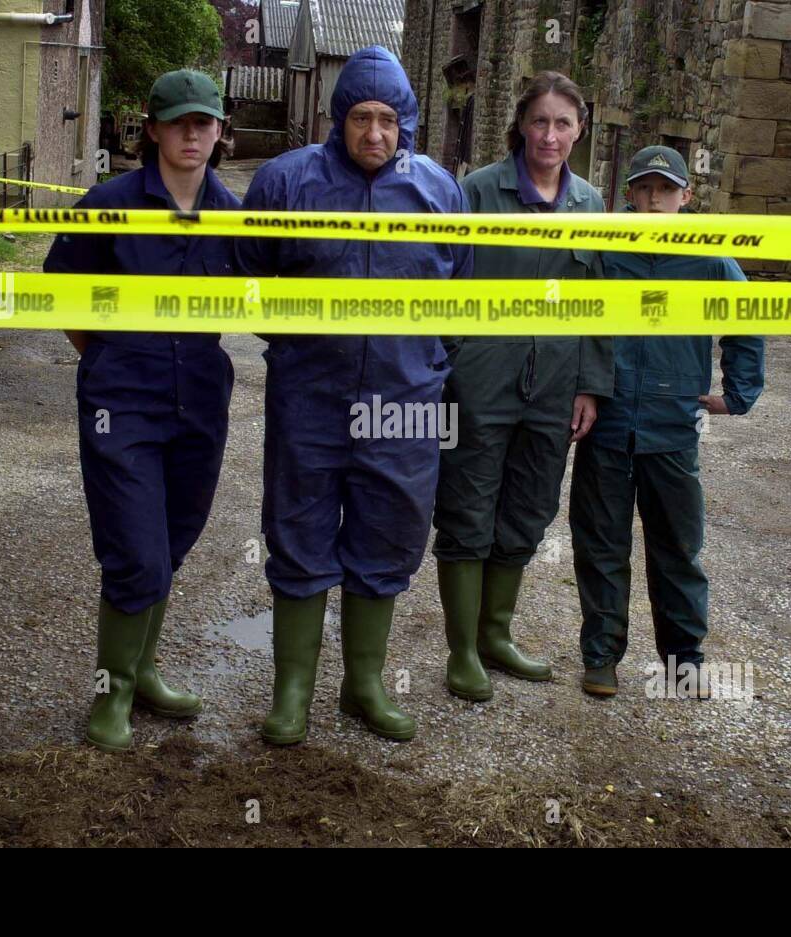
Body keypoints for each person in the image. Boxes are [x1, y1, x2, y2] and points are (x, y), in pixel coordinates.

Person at [236, 46, 472, 744]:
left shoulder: (437, 191)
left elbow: (460, 295)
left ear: (408, 123)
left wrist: (423, 364)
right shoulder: (286, 183)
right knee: (299, 530)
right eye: (362, 118)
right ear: (338, 118)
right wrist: (300, 344)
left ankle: (364, 684)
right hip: (310, 394)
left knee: (389, 531)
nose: (375, 134)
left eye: (389, 120)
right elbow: (252, 283)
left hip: (404, 400)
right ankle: (292, 694)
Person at [43, 69, 240, 752]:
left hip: (200, 401)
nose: (193, 133)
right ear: (151, 130)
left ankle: (145, 669)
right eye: (179, 121)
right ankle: (111, 695)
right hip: (121, 404)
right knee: (134, 552)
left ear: (219, 130)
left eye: (205, 121)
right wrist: (108, 360)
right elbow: (64, 292)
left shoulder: (238, 214)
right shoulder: (108, 202)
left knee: (172, 544)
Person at [432, 72, 613, 702]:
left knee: (531, 508)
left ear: (579, 131)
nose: (551, 135)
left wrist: (590, 385)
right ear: (521, 125)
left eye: (564, 124)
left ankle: (496, 636)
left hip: (556, 386)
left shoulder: (591, 205)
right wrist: (453, 364)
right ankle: (461, 653)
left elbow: (597, 303)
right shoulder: (477, 192)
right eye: (540, 121)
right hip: (480, 382)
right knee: (467, 508)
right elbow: (444, 285)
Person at [570, 145, 765, 698]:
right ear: (628, 195)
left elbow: (746, 319)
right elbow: (576, 323)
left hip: (673, 428)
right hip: (607, 424)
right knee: (601, 546)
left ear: (686, 196)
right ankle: (601, 657)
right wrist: (583, 387)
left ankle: (684, 662)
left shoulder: (708, 259)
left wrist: (739, 393)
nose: (654, 200)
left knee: (677, 549)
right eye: (644, 189)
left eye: (665, 189)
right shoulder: (606, 254)